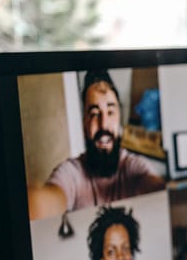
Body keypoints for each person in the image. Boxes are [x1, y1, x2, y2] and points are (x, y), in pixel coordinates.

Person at [29, 70, 165, 218]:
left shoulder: (135, 167)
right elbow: (48, 201)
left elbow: (156, 189)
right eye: (94, 114)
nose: (104, 124)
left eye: (111, 112)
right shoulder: (71, 173)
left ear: (120, 120)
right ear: (84, 125)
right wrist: (35, 202)